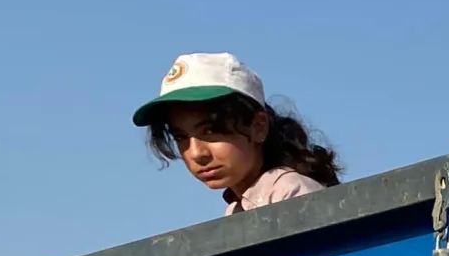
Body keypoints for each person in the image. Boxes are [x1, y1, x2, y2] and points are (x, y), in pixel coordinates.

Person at [132, 53, 340, 213]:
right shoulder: (237, 208)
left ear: (259, 127)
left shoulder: (290, 192)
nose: (196, 153)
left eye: (211, 130)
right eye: (181, 137)